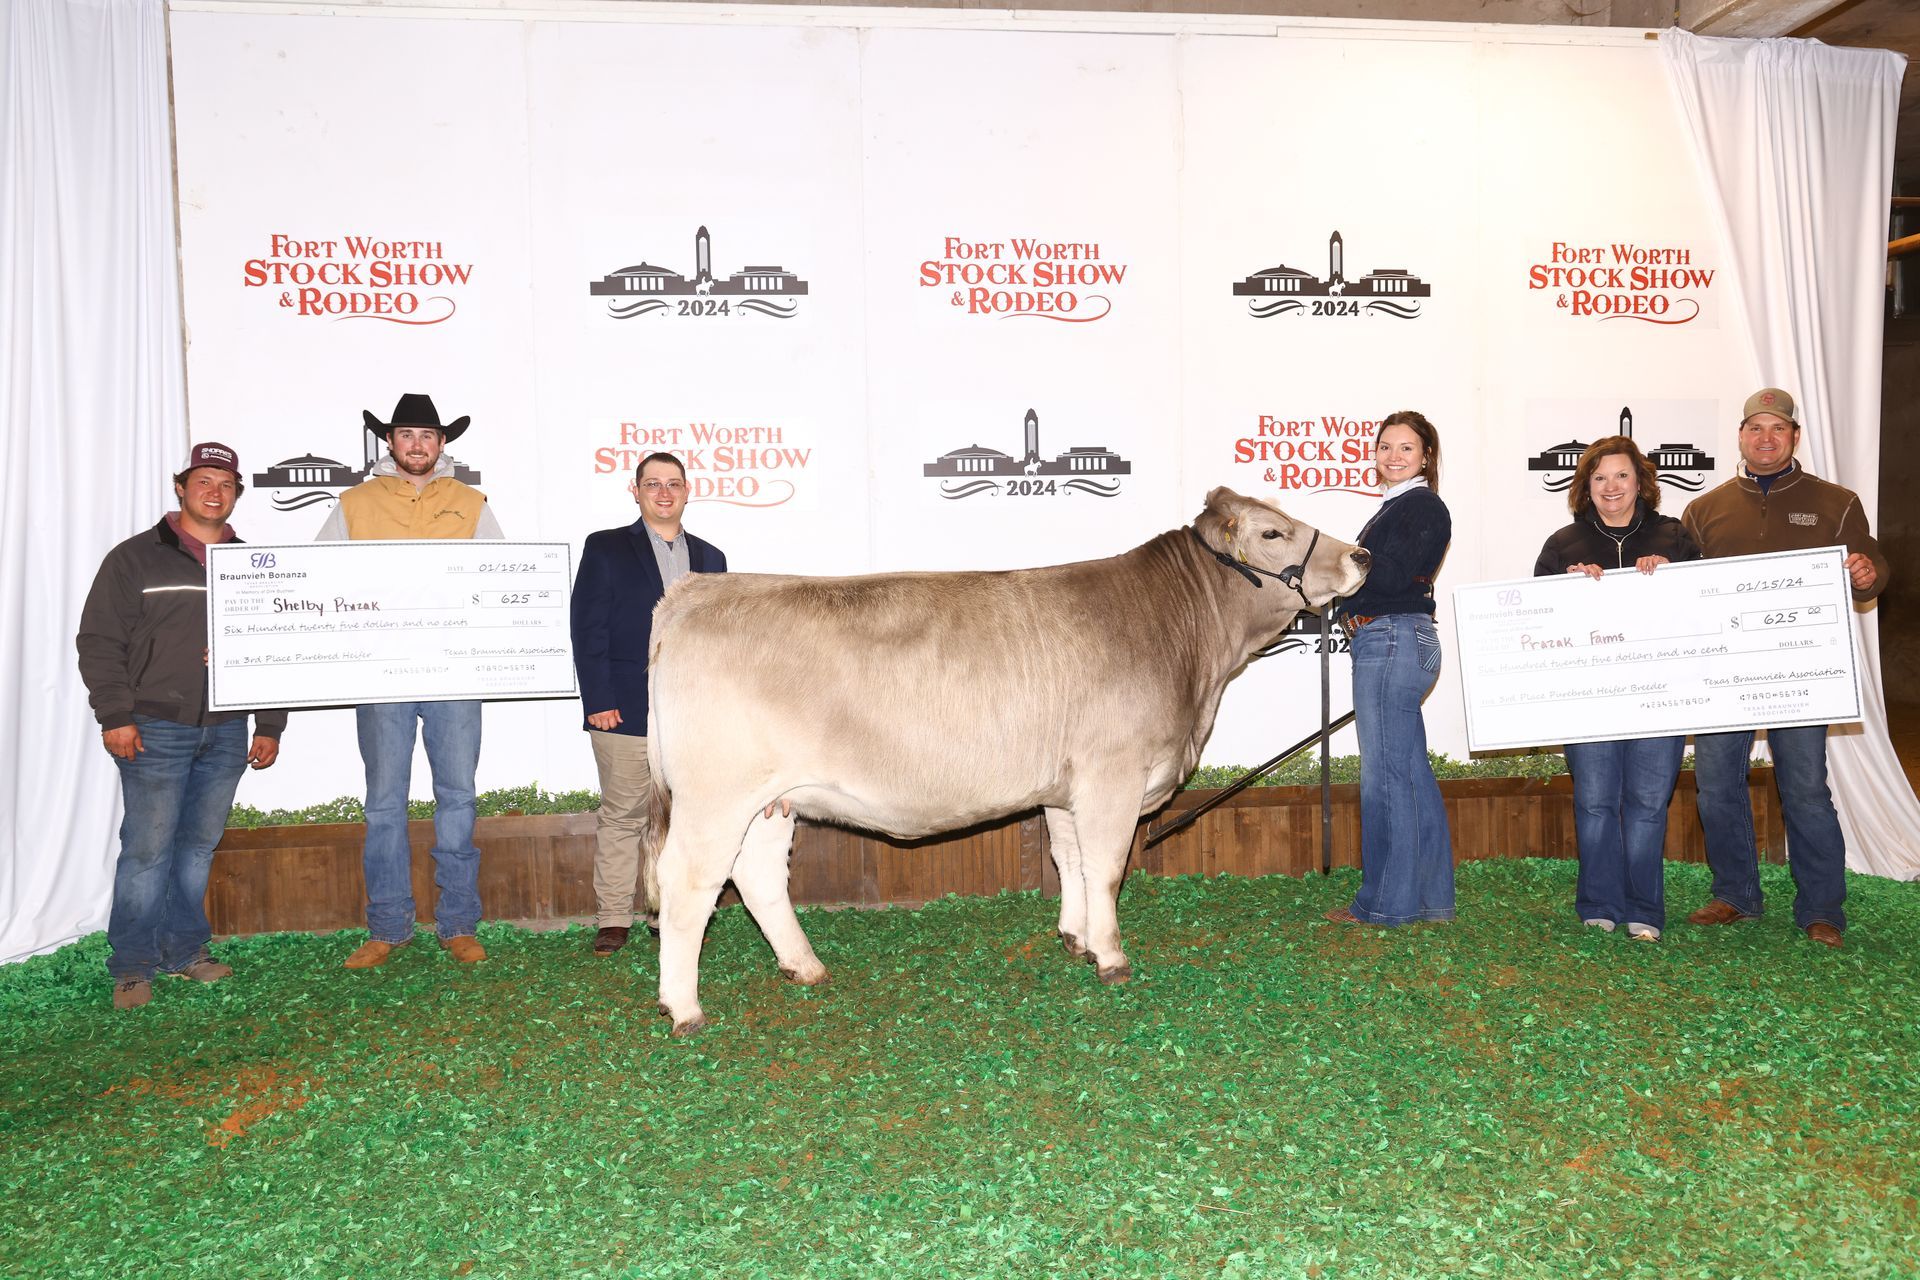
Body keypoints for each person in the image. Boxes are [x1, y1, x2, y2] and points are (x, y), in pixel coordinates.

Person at [77, 443, 286, 1009]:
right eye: (203, 481)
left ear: (237, 494)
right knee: (147, 849)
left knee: (197, 847)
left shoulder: (253, 565)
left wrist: (269, 724)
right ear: (181, 487)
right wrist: (115, 715)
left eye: (226, 483)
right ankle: (132, 966)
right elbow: (99, 641)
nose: (214, 492)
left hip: (227, 729)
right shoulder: (134, 558)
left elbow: (273, 646)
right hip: (154, 725)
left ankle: (185, 951)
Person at [1679, 387, 1889, 949]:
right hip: (1725, 673)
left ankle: (1822, 909)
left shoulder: (1836, 501)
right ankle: (1736, 894)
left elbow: (1870, 564)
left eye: (1778, 428)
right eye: (1755, 428)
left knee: (1805, 790)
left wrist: (1868, 573)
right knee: (1715, 787)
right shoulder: (1704, 509)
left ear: (1795, 436)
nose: (1766, 438)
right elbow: (1681, 588)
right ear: (1741, 436)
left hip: (1802, 674)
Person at [317, 394, 503, 968]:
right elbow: (320, 579)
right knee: (383, 804)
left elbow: (498, 579)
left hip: (455, 672)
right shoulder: (353, 503)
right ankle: (388, 926)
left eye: (427, 435)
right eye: (406, 435)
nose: (417, 445)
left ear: (441, 443)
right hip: (380, 674)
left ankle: (458, 923)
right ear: (389, 442)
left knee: (458, 797)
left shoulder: (472, 503)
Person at [1533, 436, 1700, 941]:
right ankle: (1599, 904)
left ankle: (1644, 909)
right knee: (1595, 804)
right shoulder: (1562, 544)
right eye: (1600, 477)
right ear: (1586, 486)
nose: (1611, 486)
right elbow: (1537, 624)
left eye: (1622, 475)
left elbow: (1705, 609)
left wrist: (1675, 577)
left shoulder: (1675, 537)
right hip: (1590, 701)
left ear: (1641, 482)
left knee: (1648, 805)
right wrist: (1566, 588)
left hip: (1660, 696)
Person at [570, 452, 727, 956]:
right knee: (623, 816)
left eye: (673, 483)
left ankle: (672, 915)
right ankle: (614, 918)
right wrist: (598, 699)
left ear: (687, 491)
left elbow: (720, 644)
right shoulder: (606, 547)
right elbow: (587, 628)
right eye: (653, 483)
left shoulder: (712, 558)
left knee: (683, 817)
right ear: (635, 491)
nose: (664, 492)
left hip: (692, 715)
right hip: (622, 707)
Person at [1328, 411, 1454, 926]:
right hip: (1399, 639)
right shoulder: (1399, 506)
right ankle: (1430, 899)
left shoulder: (1420, 505)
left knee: (1385, 778)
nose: (1394, 456)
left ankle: (1385, 904)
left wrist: (1335, 566)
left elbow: (1393, 575)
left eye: (1406, 448)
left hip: (1391, 638)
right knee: (1409, 774)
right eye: (1386, 447)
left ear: (1426, 456)